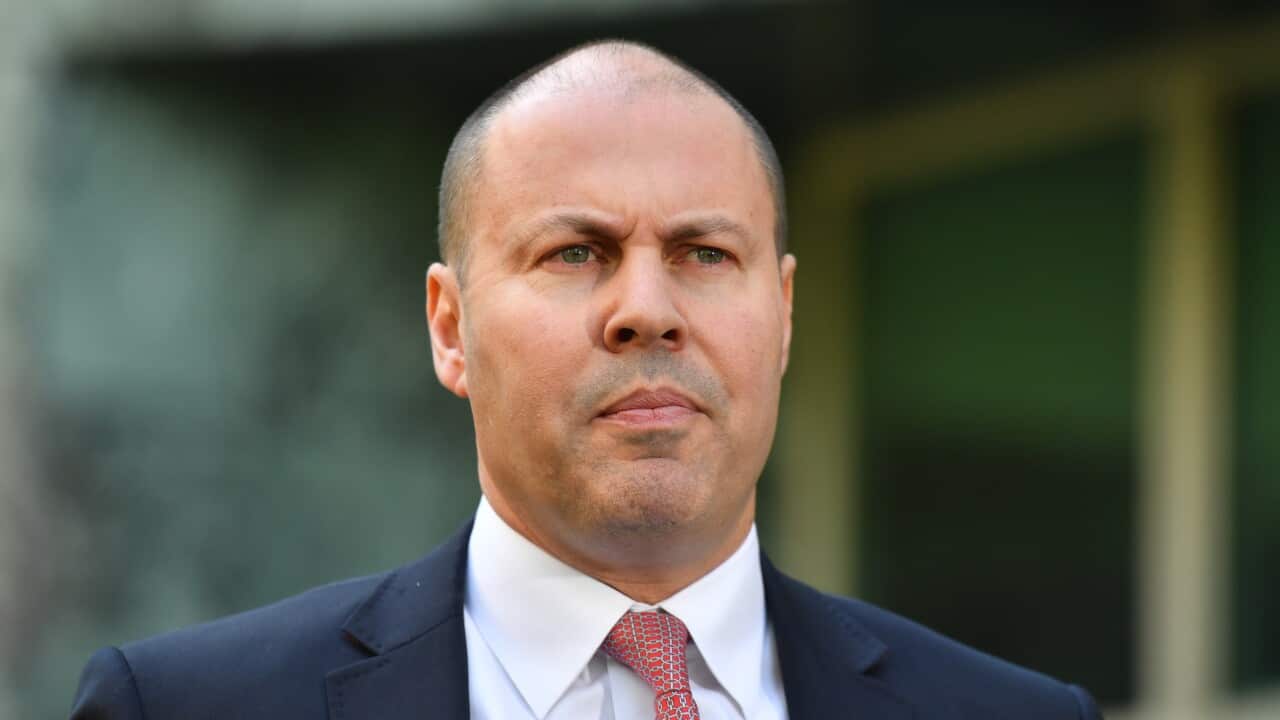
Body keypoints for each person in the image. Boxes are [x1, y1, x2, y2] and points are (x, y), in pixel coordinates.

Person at [70, 40, 1103, 720]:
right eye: (575, 252)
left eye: (703, 253)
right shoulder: (182, 710)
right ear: (449, 328)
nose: (645, 308)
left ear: (782, 316)